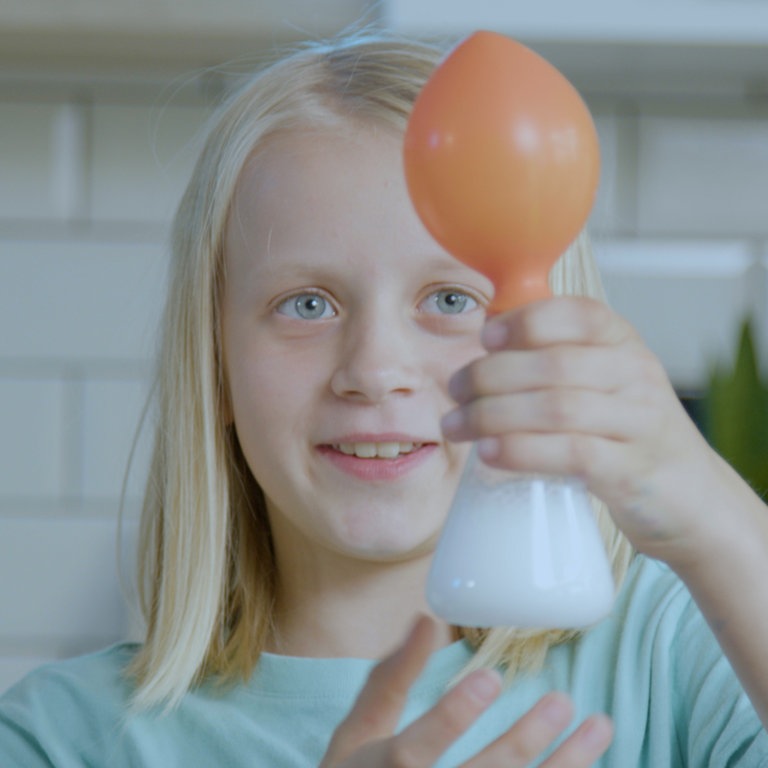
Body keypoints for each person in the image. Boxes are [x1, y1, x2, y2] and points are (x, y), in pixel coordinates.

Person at [1, 29, 767, 768]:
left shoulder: (682, 657)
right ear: (214, 365)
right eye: (307, 305)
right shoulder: (59, 738)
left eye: (449, 299)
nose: (374, 369)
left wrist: (713, 514)